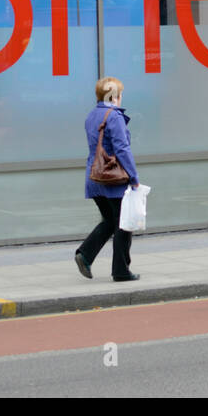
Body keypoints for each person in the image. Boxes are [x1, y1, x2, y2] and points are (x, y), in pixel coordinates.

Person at [74, 77, 140, 282]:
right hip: (113, 179)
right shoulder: (114, 117)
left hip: (94, 177)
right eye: (119, 94)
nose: (121, 98)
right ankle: (120, 270)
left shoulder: (92, 115)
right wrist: (133, 176)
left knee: (111, 220)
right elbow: (122, 149)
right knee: (123, 223)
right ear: (115, 96)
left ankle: (85, 254)